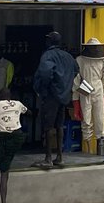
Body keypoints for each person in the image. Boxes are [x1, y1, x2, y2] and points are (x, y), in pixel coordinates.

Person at [32, 30, 78, 168]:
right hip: (64, 95)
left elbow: (45, 74)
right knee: (59, 125)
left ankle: (48, 158)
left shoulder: (48, 55)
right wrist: (65, 85)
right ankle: (60, 156)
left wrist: (43, 89)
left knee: (48, 126)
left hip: (51, 94)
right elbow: (76, 70)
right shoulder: (68, 56)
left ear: (49, 41)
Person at [74, 37, 104, 152]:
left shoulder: (103, 60)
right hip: (84, 88)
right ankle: (88, 150)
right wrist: (76, 105)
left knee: (100, 120)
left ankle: (101, 151)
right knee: (86, 120)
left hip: (98, 88)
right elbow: (75, 82)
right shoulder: (79, 60)